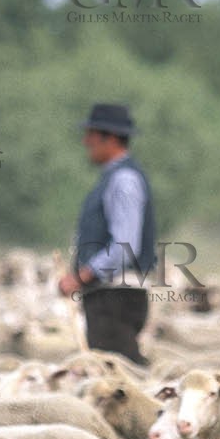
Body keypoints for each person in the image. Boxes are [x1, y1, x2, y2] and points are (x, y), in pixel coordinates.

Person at [57, 102, 155, 366]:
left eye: (91, 134)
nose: (85, 141)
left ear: (109, 138)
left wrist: (81, 276)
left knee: (116, 379)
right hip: (111, 296)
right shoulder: (114, 178)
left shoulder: (123, 180)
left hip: (115, 297)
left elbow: (124, 245)